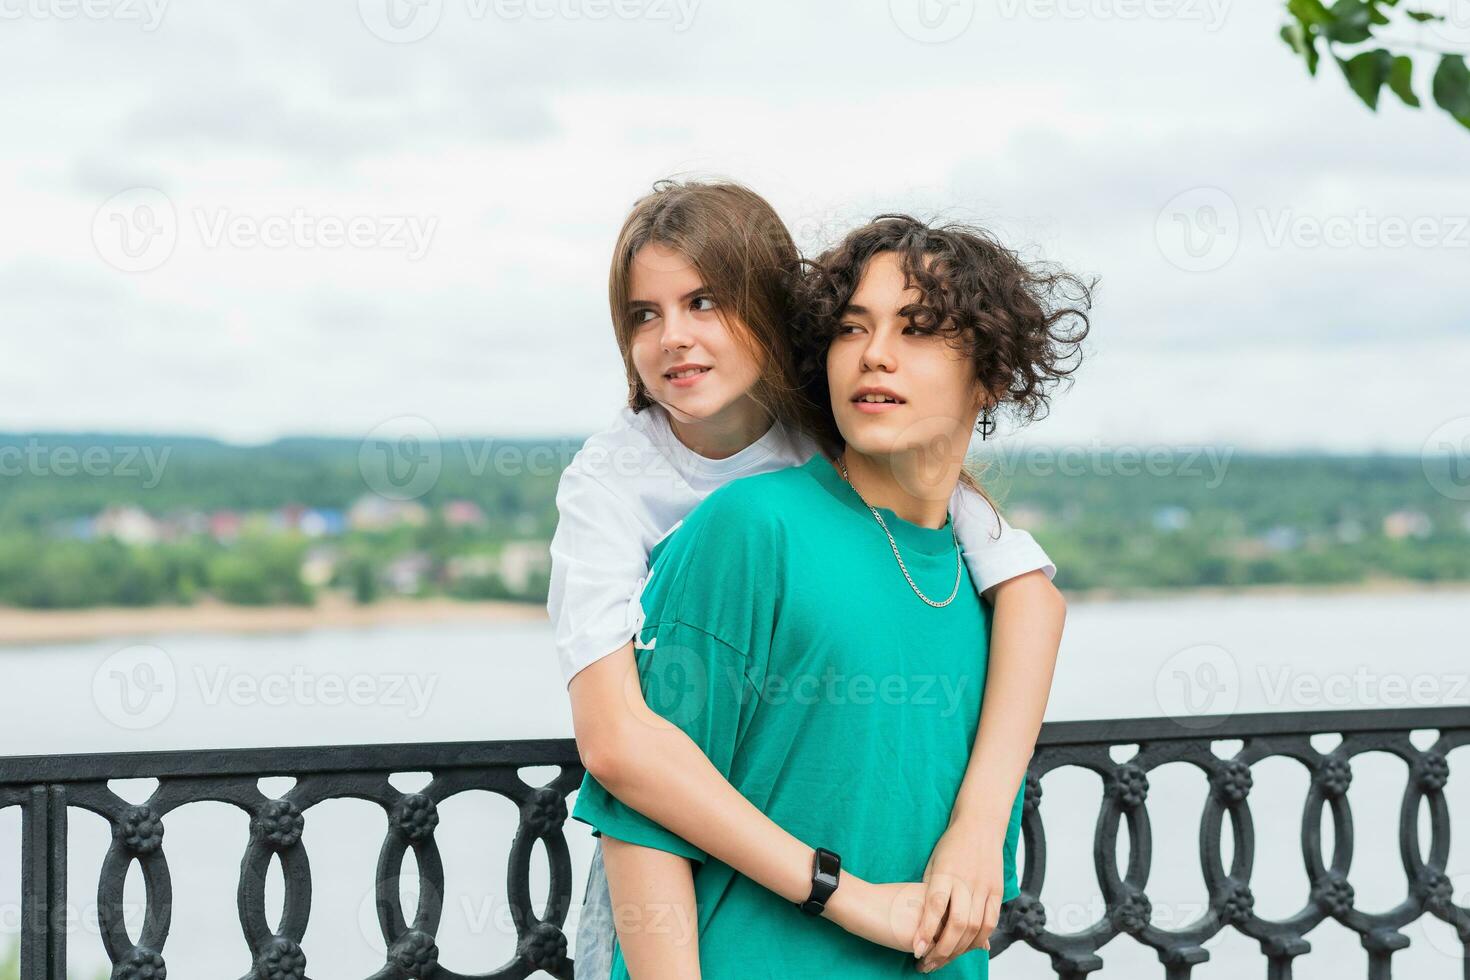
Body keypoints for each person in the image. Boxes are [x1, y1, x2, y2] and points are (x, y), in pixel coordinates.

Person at [549, 184, 1076, 976]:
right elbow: (623, 754)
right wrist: (846, 892)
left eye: (705, 303)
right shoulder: (643, 493)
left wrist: (979, 824)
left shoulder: (846, 444)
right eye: (644, 315)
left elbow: (1032, 594)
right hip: (681, 881)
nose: (674, 339)